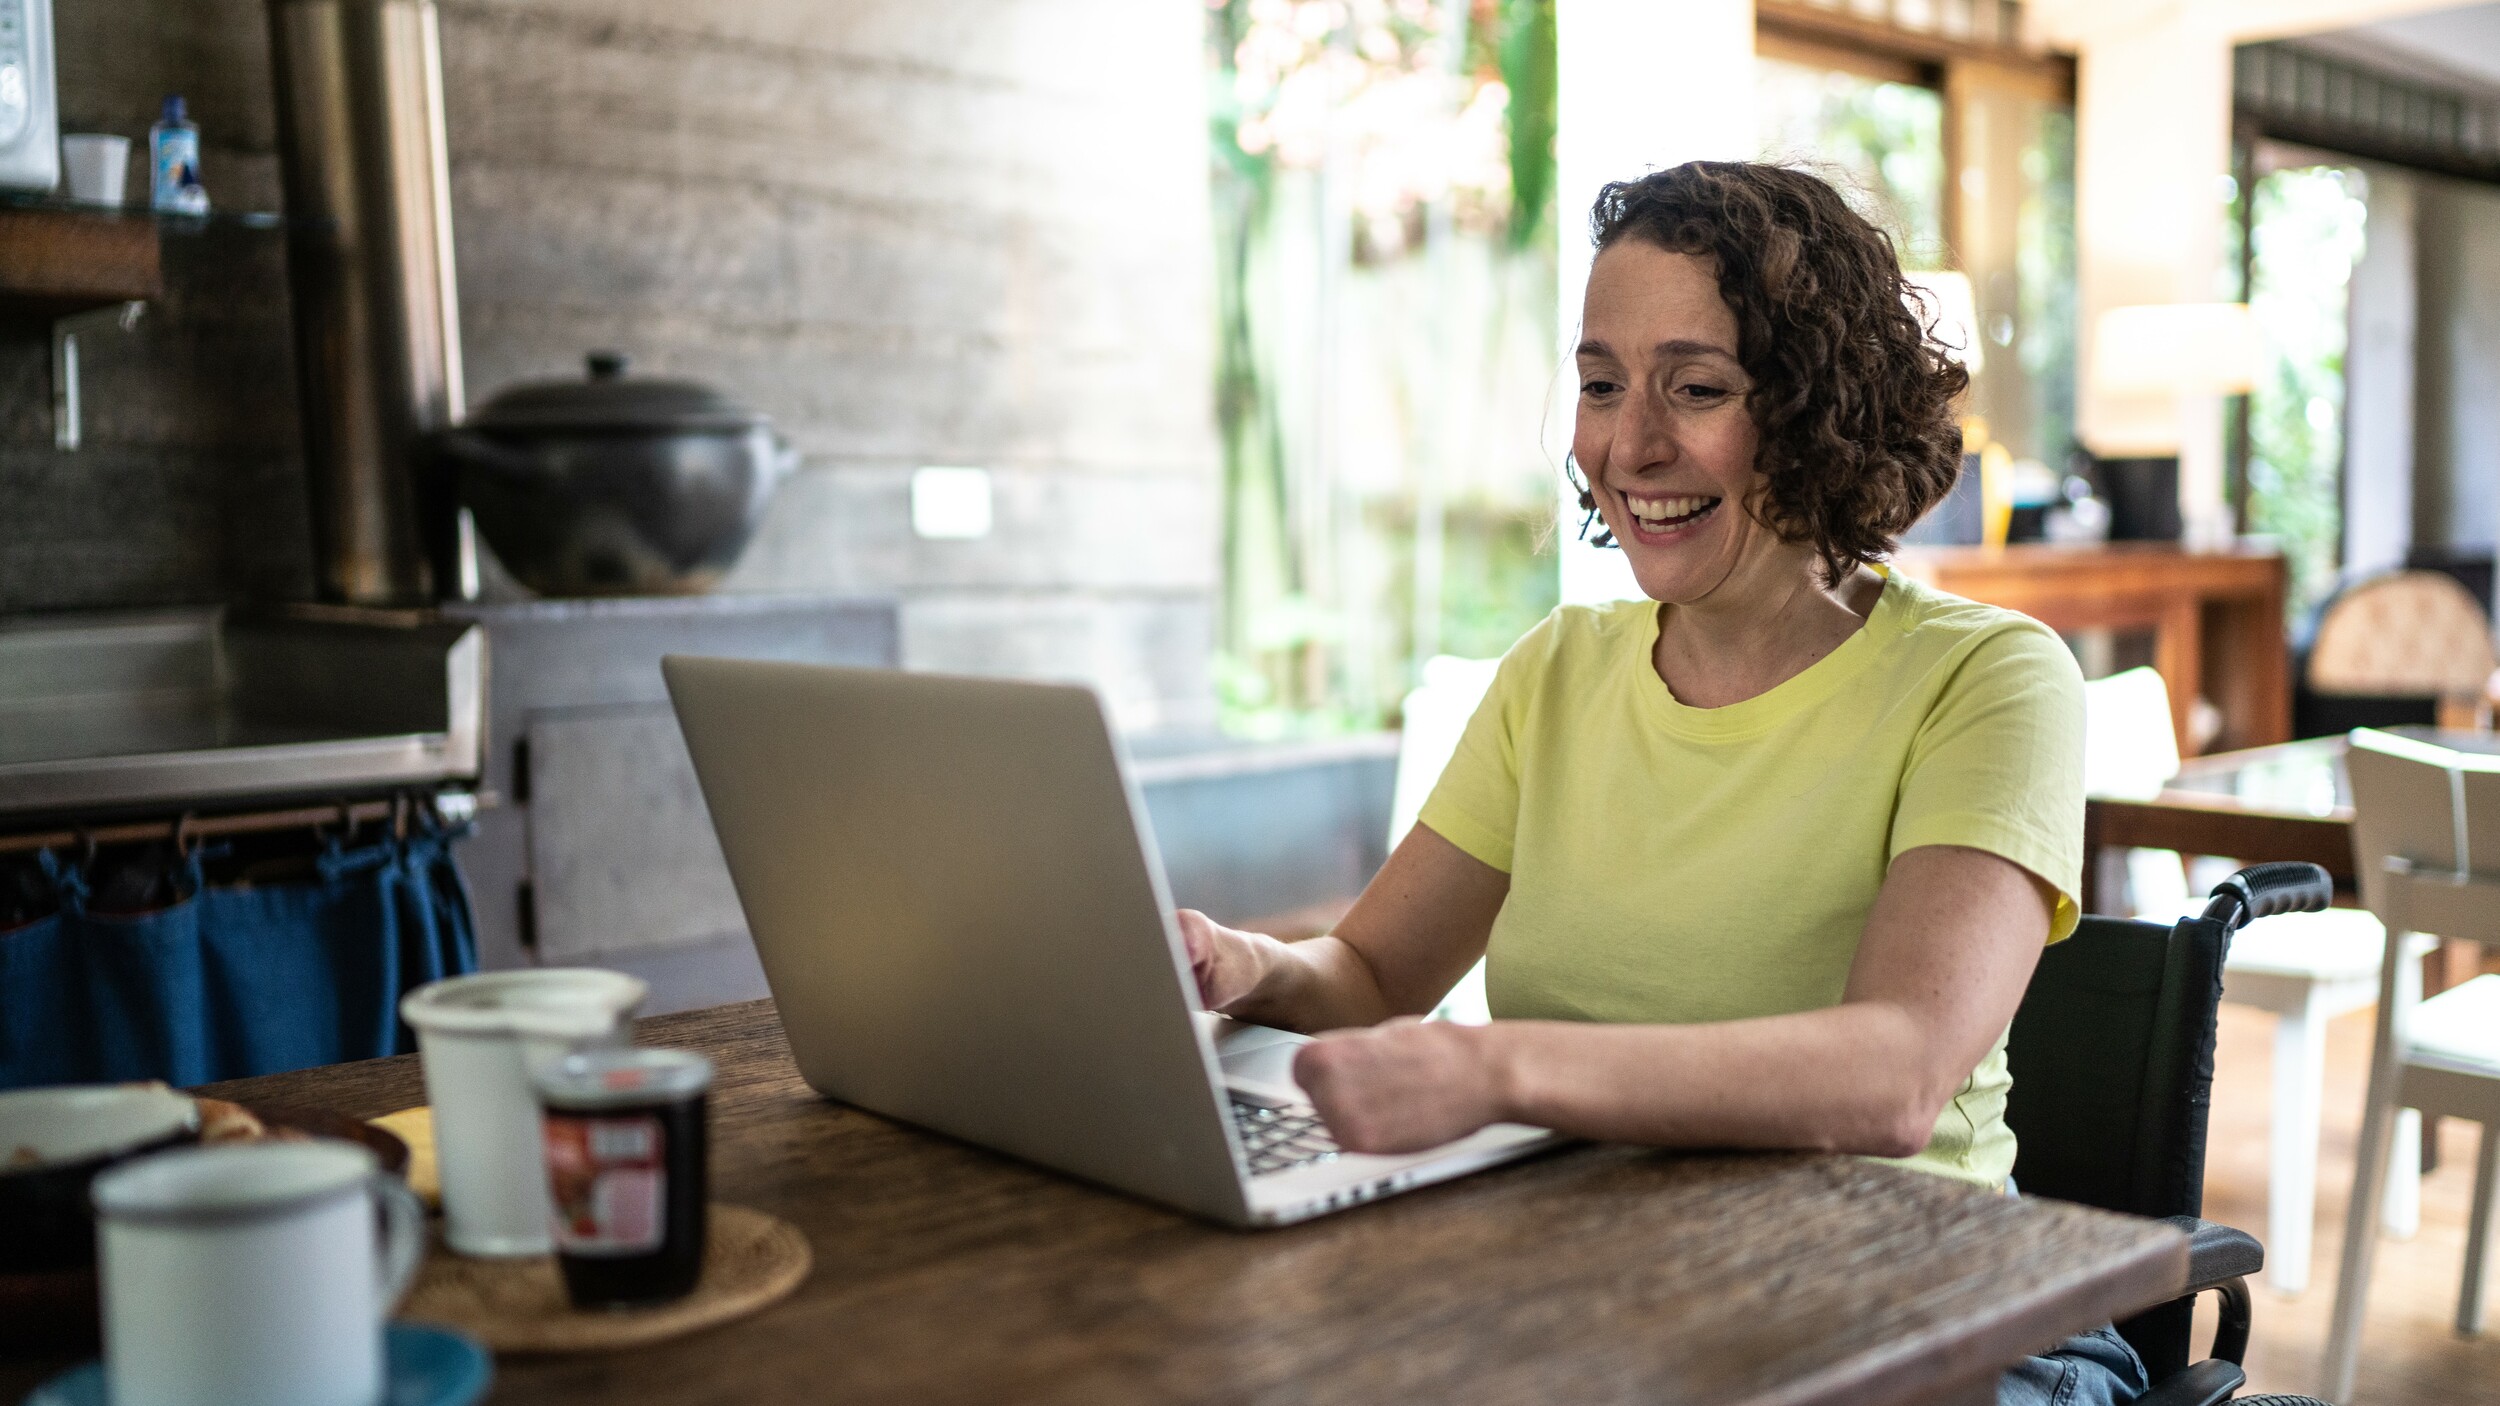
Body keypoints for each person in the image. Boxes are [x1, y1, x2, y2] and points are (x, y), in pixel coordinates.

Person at [1176, 162, 2140, 1406]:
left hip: (1925, 1312)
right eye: (1598, 385)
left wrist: (1496, 1069)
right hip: (1605, 1282)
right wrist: (1249, 965)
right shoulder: (1558, 672)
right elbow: (1368, 976)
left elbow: (1894, 1073)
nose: (1629, 444)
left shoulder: (1989, 678)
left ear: (1814, 406)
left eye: (1695, 388)